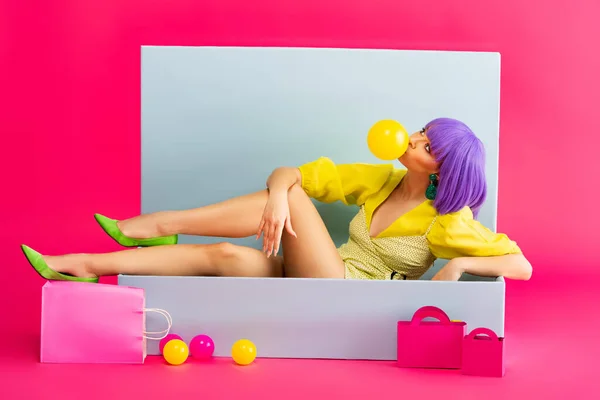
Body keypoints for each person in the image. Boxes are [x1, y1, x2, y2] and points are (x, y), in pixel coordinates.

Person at [21, 117, 532, 283]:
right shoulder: (379, 180)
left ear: (442, 164)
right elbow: (287, 173)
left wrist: (459, 263)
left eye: (426, 143)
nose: (412, 140)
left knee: (294, 199)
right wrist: (280, 200)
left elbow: (523, 266)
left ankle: (156, 223)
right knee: (219, 255)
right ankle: (84, 264)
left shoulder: (448, 219)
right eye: (419, 131)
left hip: (353, 301)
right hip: (316, 271)